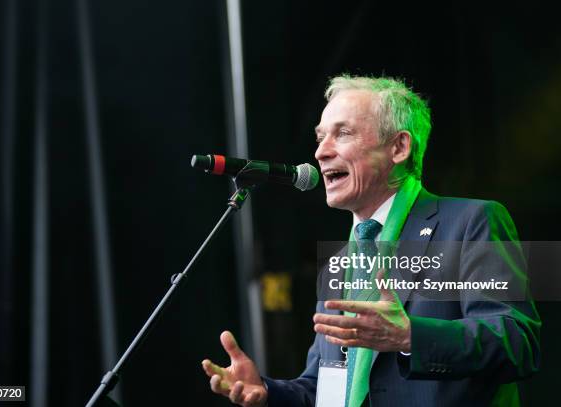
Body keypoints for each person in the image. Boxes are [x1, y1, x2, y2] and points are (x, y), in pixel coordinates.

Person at [201, 75, 541, 407]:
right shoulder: (338, 265)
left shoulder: (470, 224)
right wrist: (267, 391)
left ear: (399, 147)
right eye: (320, 138)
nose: (320, 152)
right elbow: (326, 385)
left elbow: (517, 343)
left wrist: (410, 337)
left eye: (342, 133)